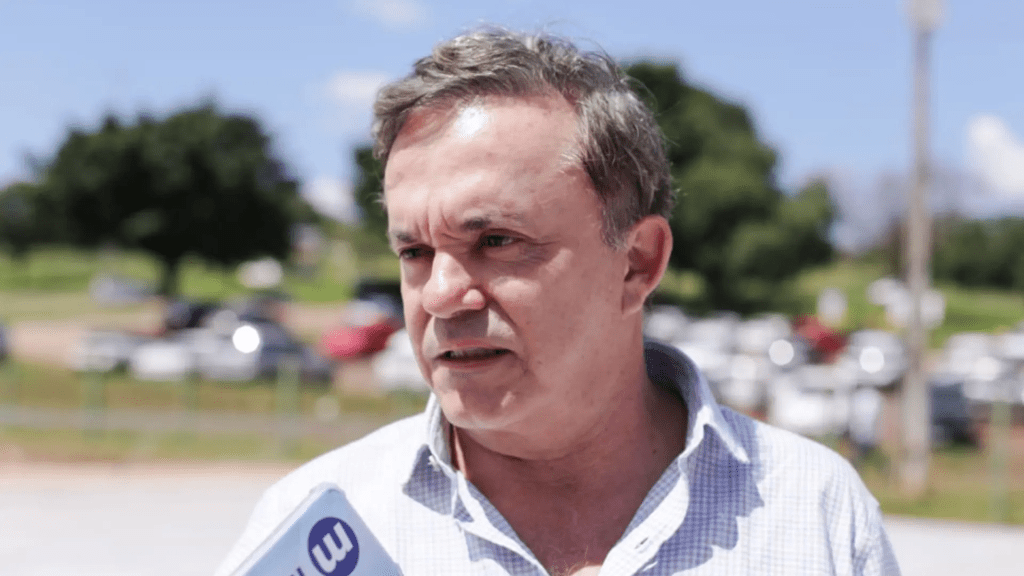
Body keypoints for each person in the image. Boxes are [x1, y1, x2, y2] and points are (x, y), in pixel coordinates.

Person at [217, 28, 900, 576]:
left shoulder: (811, 512)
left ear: (636, 263)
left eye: (496, 241)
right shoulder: (316, 532)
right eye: (415, 252)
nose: (442, 295)